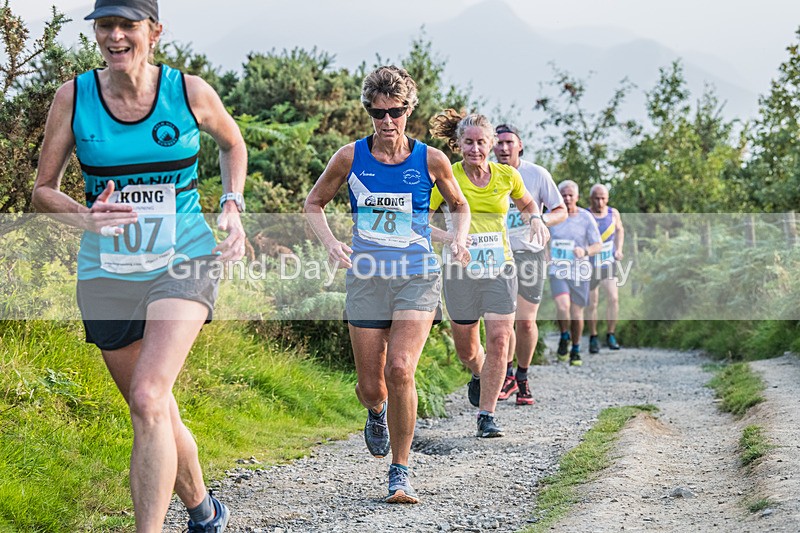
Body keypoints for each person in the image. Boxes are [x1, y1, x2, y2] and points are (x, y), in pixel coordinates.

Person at [31, 0, 246, 530]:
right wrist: (85, 217)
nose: (116, 36)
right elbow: (42, 192)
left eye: (128, 25)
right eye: (106, 25)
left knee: (150, 395)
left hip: (185, 258)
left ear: (154, 32)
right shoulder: (74, 97)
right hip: (107, 273)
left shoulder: (188, 92)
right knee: (156, 410)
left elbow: (233, 143)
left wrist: (232, 205)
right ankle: (204, 510)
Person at [304, 66, 470, 504]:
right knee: (371, 386)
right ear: (369, 113)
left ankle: (401, 471)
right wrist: (331, 244)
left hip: (417, 276)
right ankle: (375, 412)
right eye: (379, 113)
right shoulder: (349, 157)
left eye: (396, 111)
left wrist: (459, 238)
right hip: (367, 279)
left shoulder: (431, 159)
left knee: (400, 369)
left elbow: (459, 204)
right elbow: (314, 203)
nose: (387, 121)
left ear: (409, 110)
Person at [429, 110, 548, 437]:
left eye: (482, 142)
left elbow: (527, 205)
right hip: (459, 270)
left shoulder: (507, 176)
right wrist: (450, 238)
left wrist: (536, 219)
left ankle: (487, 414)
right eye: (469, 143)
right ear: (458, 144)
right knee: (467, 350)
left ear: (491, 144)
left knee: (499, 338)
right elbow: (420, 222)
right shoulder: (446, 177)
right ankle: (480, 373)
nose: (475, 149)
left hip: (500, 267)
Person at [493, 124, 566, 406]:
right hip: (499, 255)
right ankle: (507, 376)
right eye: (498, 143)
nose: (503, 147)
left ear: (519, 145)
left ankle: (523, 375)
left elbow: (560, 210)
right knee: (503, 321)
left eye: (509, 142)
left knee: (524, 322)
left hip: (530, 254)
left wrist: (540, 220)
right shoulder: (486, 174)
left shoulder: (537, 174)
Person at [547, 180, 602, 367]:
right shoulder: (551, 215)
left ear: (577, 197)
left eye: (571, 195)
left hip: (579, 270)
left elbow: (598, 245)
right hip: (558, 270)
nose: (567, 198)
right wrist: (546, 256)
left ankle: (576, 348)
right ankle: (564, 336)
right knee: (563, 307)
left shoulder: (586, 218)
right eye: (563, 195)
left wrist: (585, 251)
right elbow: (542, 239)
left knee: (577, 313)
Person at [586, 184, 625, 353]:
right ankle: (593, 337)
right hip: (590, 263)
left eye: (603, 198)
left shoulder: (613, 213)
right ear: (591, 199)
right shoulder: (585, 215)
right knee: (592, 303)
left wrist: (619, 249)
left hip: (608, 262)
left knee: (613, 298)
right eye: (596, 198)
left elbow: (620, 230)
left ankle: (611, 334)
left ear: (607, 199)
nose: (600, 202)